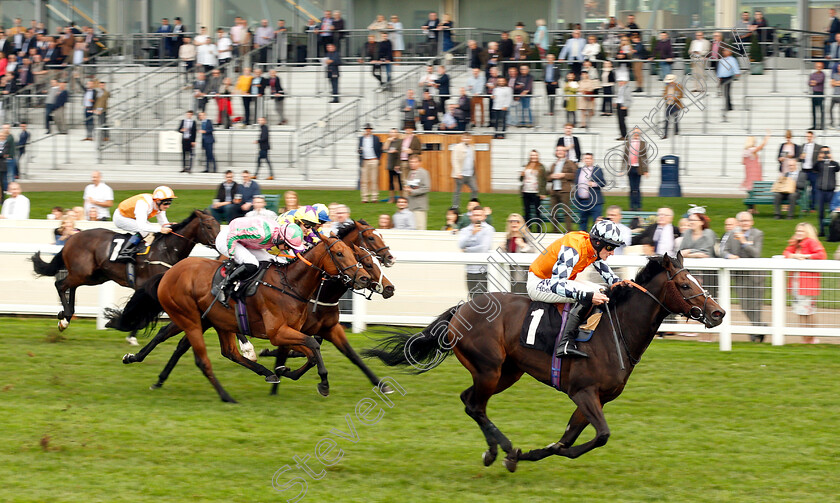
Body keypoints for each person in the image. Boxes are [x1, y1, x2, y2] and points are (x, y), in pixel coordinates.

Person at [527, 220, 624, 358]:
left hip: (557, 281)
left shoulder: (592, 247)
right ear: (598, 243)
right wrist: (589, 296)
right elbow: (557, 285)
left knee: (602, 292)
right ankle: (565, 343)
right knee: (590, 294)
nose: (612, 252)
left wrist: (621, 285)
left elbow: (609, 276)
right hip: (540, 283)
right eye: (610, 248)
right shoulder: (573, 248)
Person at [214, 216, 305, 308]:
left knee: (270, 259)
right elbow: (233, 236)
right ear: (281, 239)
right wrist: (232, 255)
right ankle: (222, 287)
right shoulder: (261, 234)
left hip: (245, 241)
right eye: (288, 246)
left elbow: (288, 254)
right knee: (252, 263)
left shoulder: (278, 236)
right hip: (227, 238)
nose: (288, 249)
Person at [784, 223, 826, 343]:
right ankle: (806, 338)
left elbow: (821, 255)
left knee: (808, 312)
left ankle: (810, 338)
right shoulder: (795, 243)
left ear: (807, 232)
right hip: (797, 284)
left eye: (801, 231)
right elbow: (786, 253)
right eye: (797, 230)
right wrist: (794, 255)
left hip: (807, 284)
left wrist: (805, 256)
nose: (798, 233)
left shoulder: (811, 242)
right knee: (801, 312)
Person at [112, 186, 175, 262]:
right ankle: (124, 252)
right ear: (158, 201)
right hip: (121, 217)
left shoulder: (159, 206)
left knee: (149, 229)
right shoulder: (144, 204)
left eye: (169, 203)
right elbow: (141, 225)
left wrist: (172, 227)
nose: (168, 206)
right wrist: (160, 229)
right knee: (145, 230)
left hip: (132, 217)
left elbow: (163, 223)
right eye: (166, 203)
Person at [458, 205, 494, 297]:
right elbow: (461, 245)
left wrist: (467, 249)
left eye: (479, 215)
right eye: (475, 215)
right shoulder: (465, 230)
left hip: (484, 271)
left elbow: (483, 248)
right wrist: (472, 234)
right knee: (473, 300)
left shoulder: (489, 229)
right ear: (471, 216)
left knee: (483, 300)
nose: (477, 217)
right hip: (470, 270)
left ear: (484, 216)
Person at [547, 145, 577, 233]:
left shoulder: (570, 163)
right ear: (556, 152)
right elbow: (547, 178)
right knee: (553, 212)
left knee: (566, 212)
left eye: (562, 150)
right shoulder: (553, 164)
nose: (559, 152)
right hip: (554, 191)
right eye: (558, 150)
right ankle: (555, 231)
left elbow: (575, 175)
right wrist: (552, 176)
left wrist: (563, 175)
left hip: (565, 191)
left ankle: (569, 231)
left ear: (565, 152)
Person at [574, 153, 606, 231]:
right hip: (582, 202)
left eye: (589, 158)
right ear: (583, 160)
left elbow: (603, 183)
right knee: (583, 222)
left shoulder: (597, 170)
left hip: (595, 202)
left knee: (597, 223)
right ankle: (583, 240)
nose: (587, 160)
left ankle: (595, 240)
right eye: (586, 158)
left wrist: (594, 184)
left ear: (592, 160)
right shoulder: (579, 171)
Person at [505, 213, 534, 294]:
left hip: (524, 275)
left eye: (517, 221)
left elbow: (533, 251)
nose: (514, 223)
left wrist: (523, 245)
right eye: (511, 221)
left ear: (521, 223)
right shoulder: (508, 237)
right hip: (511, 274)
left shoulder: (526, 236)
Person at [815, 145, 840, 236]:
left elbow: (838, 168)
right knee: (821, 212)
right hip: (821, 190)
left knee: (831, 210)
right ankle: (821, 230)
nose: (825, 154)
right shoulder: (820, 163)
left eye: (827, 152)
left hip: (830, 191)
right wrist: (819, 158)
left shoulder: (833, 164)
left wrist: (831, 159)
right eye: (823, 152)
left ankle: (832, 230)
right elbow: (814, 168)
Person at [519, 149, 547, 227]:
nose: (533, 157)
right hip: (526, 191)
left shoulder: (541, 167)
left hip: (536, 192)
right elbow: (521, 179)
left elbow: (544, 180)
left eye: (535, 155)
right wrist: (522, 175)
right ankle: (528, 228)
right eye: (532, 155)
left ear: (537, 156)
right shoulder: (526, 166)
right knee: (527, 211)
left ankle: (538, 229)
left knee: (537, 211)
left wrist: (543, 193)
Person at [451, 133, 478, 209]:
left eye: (468, 138)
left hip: (470, 174)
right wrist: (457, 172)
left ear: (470, 138)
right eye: (465, 138)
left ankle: (473, 205)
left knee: (475, 189)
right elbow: (454, 160)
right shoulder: (457, 147)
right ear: (462, 138)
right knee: (458, 191)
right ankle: (455, 206)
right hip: (461, 174)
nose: (467, 139)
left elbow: (472, 160)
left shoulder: (472, 147)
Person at [625, 128, 649, 211]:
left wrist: (646, 170)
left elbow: (644, 157)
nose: (636, 134)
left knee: (637, 188)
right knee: (631, 188)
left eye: (638, 133)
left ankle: (638, 206)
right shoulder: (628, 143)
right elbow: (624, 156)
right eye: (635, 133)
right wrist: (622, 169)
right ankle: (631, 206)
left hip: (638, 168)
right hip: (630, 167)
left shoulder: (643, 144)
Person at [358, 123, 382, 204]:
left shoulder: (376, 138)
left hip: (373, 159)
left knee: (374, 179)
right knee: (364, 180)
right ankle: (365, 198)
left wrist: (378, 159)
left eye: (369, 129)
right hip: (365, 160)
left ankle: (374, 197)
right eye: (366, 129)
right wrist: (359, 151)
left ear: (371, 130)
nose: (368, 130)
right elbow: (359, 148)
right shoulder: (361, 138)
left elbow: (379, 149)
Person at [405, 154, 430, 229]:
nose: (412, 164)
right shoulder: (410, 173)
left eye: (415, 162)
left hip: (419, 205)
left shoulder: (423, 173)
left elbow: (426, 188)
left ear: (419, 163)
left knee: (420, 227)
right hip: (410, 205)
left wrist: (413, 191)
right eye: (411, 162)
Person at [800, 130, 821, 212]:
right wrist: (801, 157)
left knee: (814, 189)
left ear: (813, 137)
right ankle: (804, 207)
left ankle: (812, 207)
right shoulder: (803, 146)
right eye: (807, 136)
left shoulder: (817, 147)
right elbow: (798, 158)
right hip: (804, 170)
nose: (808, 138)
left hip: (813, 171)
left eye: (810, 136)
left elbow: (819, 159)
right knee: (803, 189)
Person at [717, 48, 740, 120]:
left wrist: (737, 73)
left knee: (727, 92)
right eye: (723, 51)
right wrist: (719, 77)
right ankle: (729, 105)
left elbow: (735, 66)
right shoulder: (721, 60)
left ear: (730, 52)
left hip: (728, 77)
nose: (724, 52)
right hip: (722, 78)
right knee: (724, 92)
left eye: (726, 51)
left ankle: (727, 106)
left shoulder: (732, 59)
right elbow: (720, 69)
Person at [810, 61, 826, 130]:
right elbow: (809, 82)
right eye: (817, 66)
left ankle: (822, 126)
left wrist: (814, 82)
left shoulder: (823, 74)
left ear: (822, 67)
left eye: (820, 66)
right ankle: (814, 125)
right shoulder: (812, 74)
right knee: (813, 110)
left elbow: (820, 81)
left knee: (821, 110)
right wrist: (814, 82)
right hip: (814, 93)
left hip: (820, 93)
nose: (818, 68)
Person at [615, 71, 631, 140]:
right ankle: (622, 134)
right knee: (620, 121)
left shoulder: (627, 89)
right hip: (619, 105)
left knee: (622, 121)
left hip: (623, 106)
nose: (620, 83)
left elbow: (629, 99)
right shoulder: (620, 88)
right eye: (619, 81)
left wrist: (626, 106)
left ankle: (625, 135)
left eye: (621, 81)